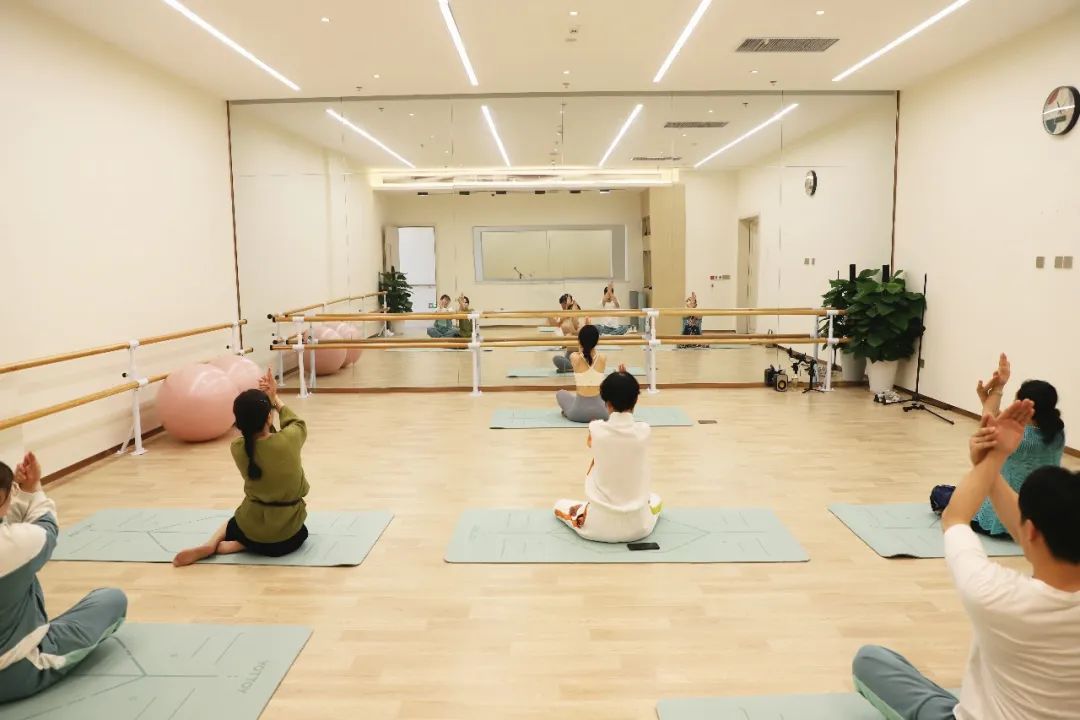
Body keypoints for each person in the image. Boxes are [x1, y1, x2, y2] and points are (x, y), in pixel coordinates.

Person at [853, 399, 1080, 720]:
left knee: (869, 660)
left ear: (1031, 531)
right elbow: (1026, 530)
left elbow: (955, 517)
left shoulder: (997, 595)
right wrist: (990, 467)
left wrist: (992, 458)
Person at [0, 453, 128, 703]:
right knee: (112, 599)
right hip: (15, 672)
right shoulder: (15, 545)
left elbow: (11, 529)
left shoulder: (13, 542)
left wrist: (21, 494)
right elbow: (46, 527)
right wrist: (33, 489)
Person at [173, 369, 310, 566]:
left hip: (252, 524)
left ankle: (212, 544)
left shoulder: (237, 448)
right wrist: (275, 398)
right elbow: (297, 424)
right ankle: (245, 545)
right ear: (269, 418)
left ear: (239, 423)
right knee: (301, 532)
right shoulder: (289, 440)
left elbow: (265, 442)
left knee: (233, 522)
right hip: (285, 538)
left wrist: (268, 403)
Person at [554, 369, 663, 542]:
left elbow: (596, 438)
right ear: (636, 399)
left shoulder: (596, 429)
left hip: (599, 527)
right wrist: (624, 382)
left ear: (606, 402)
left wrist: (618, 383)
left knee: (559, 505)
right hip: (639, 528)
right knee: (655, 498)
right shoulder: (644, 431)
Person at [971, 354, 1065, 536]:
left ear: (1024, 406)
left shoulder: (1017, 439)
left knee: (943, 494)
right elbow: (996, 419)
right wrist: (986, 399)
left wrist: (998, 387)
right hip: (1042, 518)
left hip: (1003, 518)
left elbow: (989, 417)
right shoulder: (1057, 432)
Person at [555, 324, 610, 423]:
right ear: (597, 341)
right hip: (602, 414)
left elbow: (582, 353)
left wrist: (581, 344)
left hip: (578, 414)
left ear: (579, 341)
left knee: (561, 393)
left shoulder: (574, 357)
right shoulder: (603, 358)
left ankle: (567, 411)